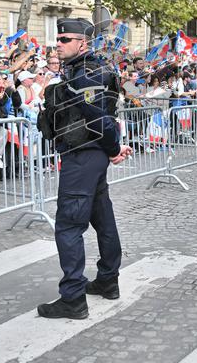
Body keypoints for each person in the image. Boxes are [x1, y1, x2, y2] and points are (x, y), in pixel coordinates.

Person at [36, 18, 132, 320]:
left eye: (65, 39)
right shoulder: (83, 69)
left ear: (83, 43)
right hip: (88, 154)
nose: (58, 44)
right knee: (102, 217)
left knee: (67, 225)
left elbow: (99, 119)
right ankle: (107, 280)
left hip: (83, 156)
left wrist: (113, 149)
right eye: (58, 40)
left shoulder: (88, 73)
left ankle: (73, 297)